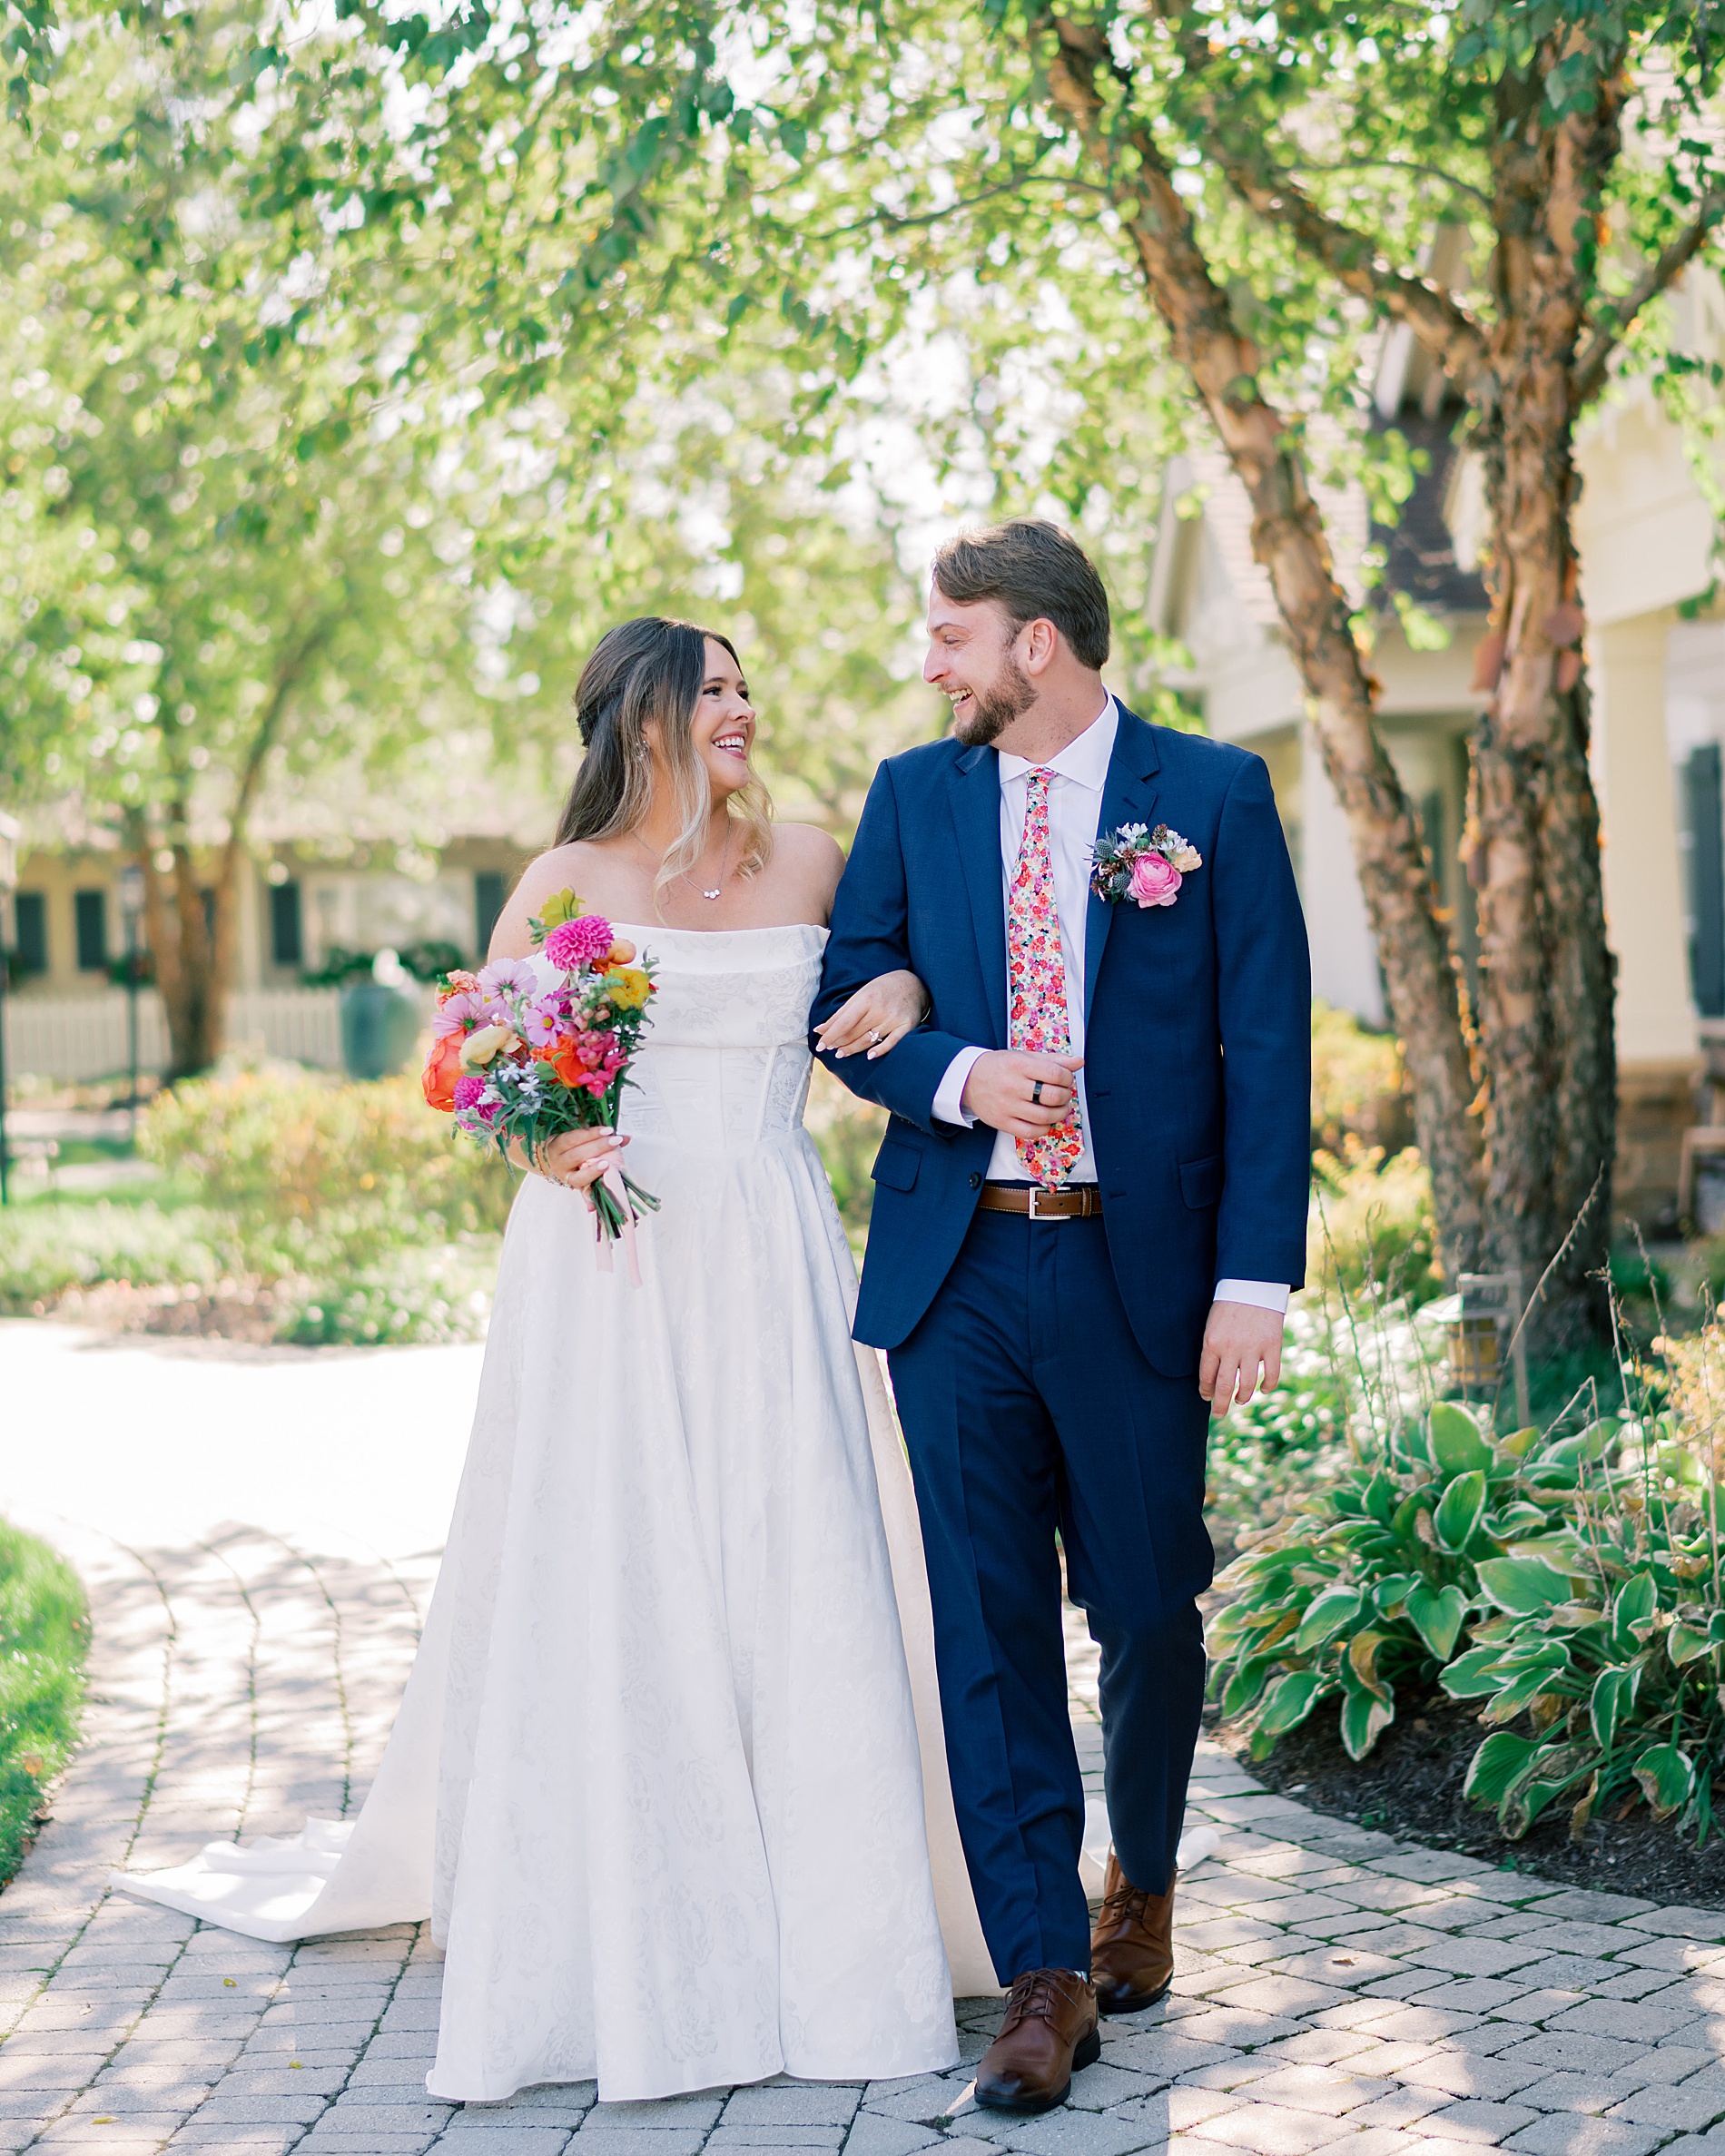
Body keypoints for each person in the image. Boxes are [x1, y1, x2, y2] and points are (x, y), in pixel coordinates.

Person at [113, 615, 997, 2103]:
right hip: (614, 1262)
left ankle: (837, 1955)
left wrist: (904, 994)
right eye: (713, 690)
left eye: (743, 686)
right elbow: (464, 1062)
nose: (742, 708)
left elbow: (889, 999)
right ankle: (628, 1946)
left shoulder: (813, 864)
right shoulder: (565, 884)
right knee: (627, 1572)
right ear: (645, 720)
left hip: (771, 1252)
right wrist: (543, 1141)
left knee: (798, 1568)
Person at [812, 520, 1311, 2116]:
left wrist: (1254, 1282)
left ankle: (1143, 1877)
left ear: (1039, 642)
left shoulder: (1212, 797)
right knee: (988, 1622)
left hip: (1136, 1272)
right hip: (959, 1273)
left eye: (952, 635)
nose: (931, 663)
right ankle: (1042, 1975)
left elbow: (1268, 1046)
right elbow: (854, 994)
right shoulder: (914, 795)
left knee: (1155, 1609)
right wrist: (956, 1074)